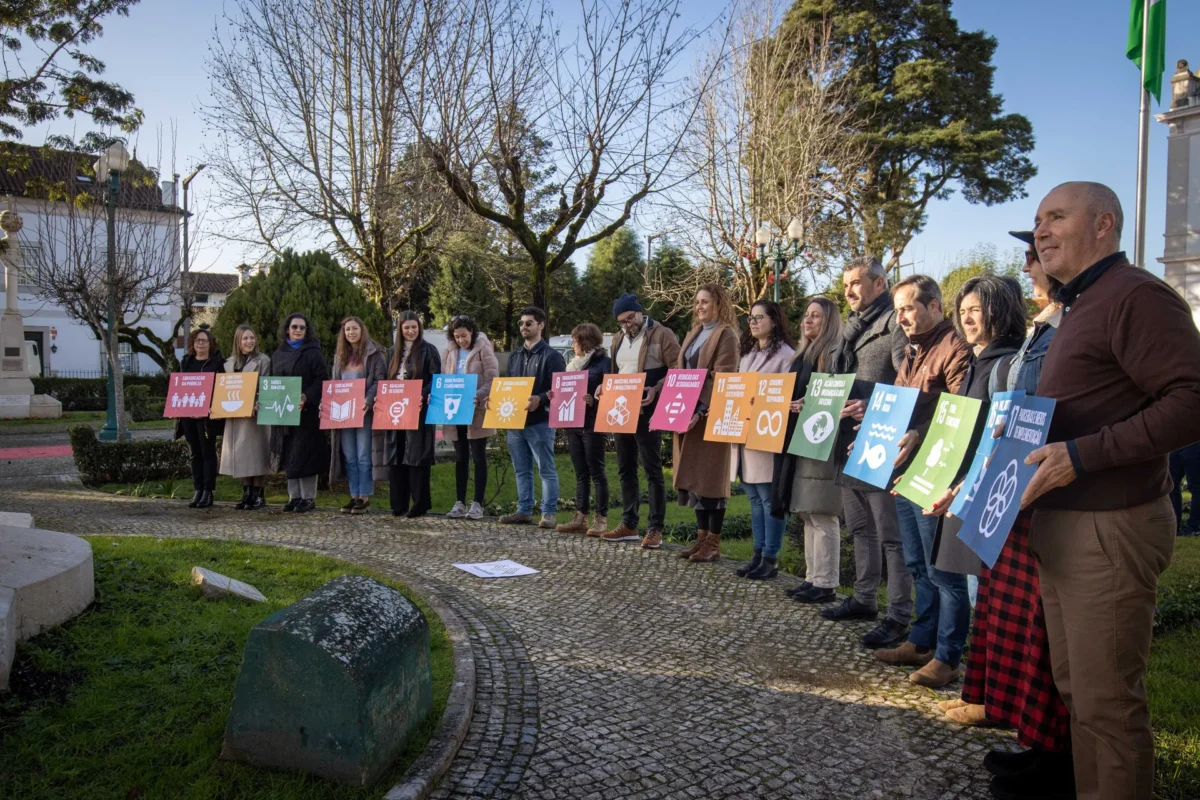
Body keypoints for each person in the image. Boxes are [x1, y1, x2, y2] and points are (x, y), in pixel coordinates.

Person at [1023, 181, 1200, 800]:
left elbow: (1190, 401)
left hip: (1110, 524)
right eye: (1038, 219)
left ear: (1104, 225)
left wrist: (1082, 456)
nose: (1040, 230)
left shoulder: (1136, 296)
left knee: (1108, 703)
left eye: (1056, 217)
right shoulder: (1078, 306)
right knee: (1080, 695)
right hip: (1064, 522)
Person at [943, 232, 1074, 798]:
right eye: (1027, 256)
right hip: (1012, 488)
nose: (1028, 264)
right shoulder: (1043, 329)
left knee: (1047, 634)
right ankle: (1037, 742)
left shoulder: (1074, 324)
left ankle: (1057, 756)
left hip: (1048, 491)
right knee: (1020, 626)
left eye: (1036, 256)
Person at [875, 274, 971, 688]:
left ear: (935, 306)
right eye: (898, 310)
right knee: (917, 564)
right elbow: (897, 404)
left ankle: (948, 655)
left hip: (936, 471)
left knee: (943, 570)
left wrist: (919, 433)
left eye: (909, 308)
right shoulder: (913, 352)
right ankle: (921, 639)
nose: (902, 318)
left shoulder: (955, 349)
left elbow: (960, 411)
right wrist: (871, 432)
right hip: (905, 471)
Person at [822, 257, 914, 650]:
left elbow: (906, 383)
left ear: (880, 284)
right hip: (847, 441)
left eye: (856, 284)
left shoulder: (894, 325)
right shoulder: (850, 329)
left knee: (891, 537)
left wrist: (872, 405)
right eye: (845, 286)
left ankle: (899, 616)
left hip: (879, 440)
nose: (849, 292)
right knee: (860, 528)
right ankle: (863, 599)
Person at [768, 298, 841, 598]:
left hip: (820, 440)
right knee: (807, 514)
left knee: (822, 514)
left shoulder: (833, 354)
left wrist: (807, 404)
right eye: (806, 315)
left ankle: (826, 583)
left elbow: (834, 394)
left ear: (830, 321)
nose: (807, 321)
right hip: (800, 438)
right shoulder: (803, 354)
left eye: (816, 316)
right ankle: (813, 578)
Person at [599, 293, 681, 548]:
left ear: (639, 311)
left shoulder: (662, 334)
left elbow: (678, 368)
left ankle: (655, 527)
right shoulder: (618, 339)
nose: (627, 324)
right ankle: (629, 524)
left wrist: (657, 387)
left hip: (648, 408)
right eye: (621, 321)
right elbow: (615, 371)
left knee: (652, 469)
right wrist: (605, 388)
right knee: (625, 468)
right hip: (621, 409)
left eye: (630, 318)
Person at [674, 284, 740, 563]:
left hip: (710, 415)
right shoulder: (694, 334)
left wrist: (700, 411)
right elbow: (681, 373)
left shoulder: (726, 335)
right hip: (685, 414)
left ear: (719, 304)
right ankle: (701, 539)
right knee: (693, 478)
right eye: (697, 302)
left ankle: (713, 543)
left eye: (705, 302)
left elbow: (722, 377)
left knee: (711, 478)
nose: (700, 307)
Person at [733, 300, 795, 579]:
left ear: (775, 320)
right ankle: (757, 553)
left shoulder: (786, 355)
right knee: (754, 498)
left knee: (769, 498)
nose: (754, 322)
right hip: (744, 432)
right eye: (750, 318)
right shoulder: (745, 355)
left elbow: (789, 395)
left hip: (767, 432)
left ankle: (770, 557)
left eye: (760, 317)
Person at [497, 306, 565, 528]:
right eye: (521, 323)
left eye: (529, 323)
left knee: (546, 469)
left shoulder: (553, 356)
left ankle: (549, 514)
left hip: (540, 422)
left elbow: (560, 389)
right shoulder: (515, 355)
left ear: (541, 325)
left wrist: (541, 399)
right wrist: (495, 401)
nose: (523, 327)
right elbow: (509, 387)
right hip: (515, 421)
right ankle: (524, 511)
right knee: (521, 469)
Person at [555, 323, 612, 536]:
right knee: (580, 473)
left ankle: (601, 519)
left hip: (592, 423)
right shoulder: (573, 365)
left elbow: (610, 392)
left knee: (597, 472)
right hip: (573, 424)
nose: (572, 345)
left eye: (575, 341)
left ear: (585, 341)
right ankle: (580, 516)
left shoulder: (604, 363)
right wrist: (556, 399)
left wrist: (595, 402)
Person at [270, 313, 329, 513]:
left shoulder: (313, 352)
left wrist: (306, 396)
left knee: (306, 455)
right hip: (284, 413)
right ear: (287, 329)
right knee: (289, 455)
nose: (298, 330)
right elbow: (272, 381)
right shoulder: (278, 354)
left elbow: (323, 379)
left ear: (306, 331)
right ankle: (294, 496)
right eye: (294, 327)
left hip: (307, 414)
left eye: (302, 328)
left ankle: (308, 498)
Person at [328, 316, 387, 515]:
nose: (351, 333)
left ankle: (365, 496)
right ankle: (354, 495)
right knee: (349, 456)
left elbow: (379, 380)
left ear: (362, 330)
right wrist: (326, 403)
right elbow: (334, 383)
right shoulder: (339, 355)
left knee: (363, 455)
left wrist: (368, 401)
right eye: (347, 330)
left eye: (354, 329)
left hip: (364, 411)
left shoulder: (374, 353)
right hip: (343, 412)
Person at [442, 315, 498, 521]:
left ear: (472, 332)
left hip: (477, 410)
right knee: (460, 457)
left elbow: (492, 377)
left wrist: (480, 394)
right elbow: (443, 376)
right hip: (455, 408)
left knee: (479, 456)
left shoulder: (483, 348)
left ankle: (477, 503)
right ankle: (459, 502)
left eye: (464, 336)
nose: (461, 340)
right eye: (457, 337)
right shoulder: (449, 350)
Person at [385, 311, 441, 518]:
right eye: (406, 327)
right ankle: (398, 503)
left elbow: (436, 379)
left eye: (414, 327)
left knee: (416, 456)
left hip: (418, 408)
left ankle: (420, 503)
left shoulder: (429, 350)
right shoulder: (392, 352)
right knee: (397, 454)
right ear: (400, 329)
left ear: (419, 328)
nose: (410, 331)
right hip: (395, 409)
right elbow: (386, 379)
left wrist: (422, 394)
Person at [219, 324, 272, 510]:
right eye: (245, 338)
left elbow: (267, 387)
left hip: (255, 415)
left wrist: (256, 400)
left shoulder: (263, 361)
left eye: (252, 338)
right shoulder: (230, 362)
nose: (249, 341)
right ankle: (247, 493)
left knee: (256, 454)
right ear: (238, 341)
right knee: (242, 456)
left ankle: (258, 494)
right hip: (236, 415)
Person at [178, 328, 224, 509]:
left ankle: (208, 490)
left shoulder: (216, 363)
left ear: (210, 343)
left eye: (204, 341)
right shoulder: (186, 362)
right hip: (188, 415)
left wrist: (209, 409)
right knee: (194, 453)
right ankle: (197, 489)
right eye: (197, 341)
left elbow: (221, 390)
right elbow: (180, 386)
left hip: (206, 417)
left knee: (207, 452)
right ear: (193, 343)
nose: (201, 344)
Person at [1168, 443, 1200, 536]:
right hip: (1178, 442)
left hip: (1195, 441)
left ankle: (1194, 527)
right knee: (1171, 483)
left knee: (1196, 486)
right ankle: (1175, 525)